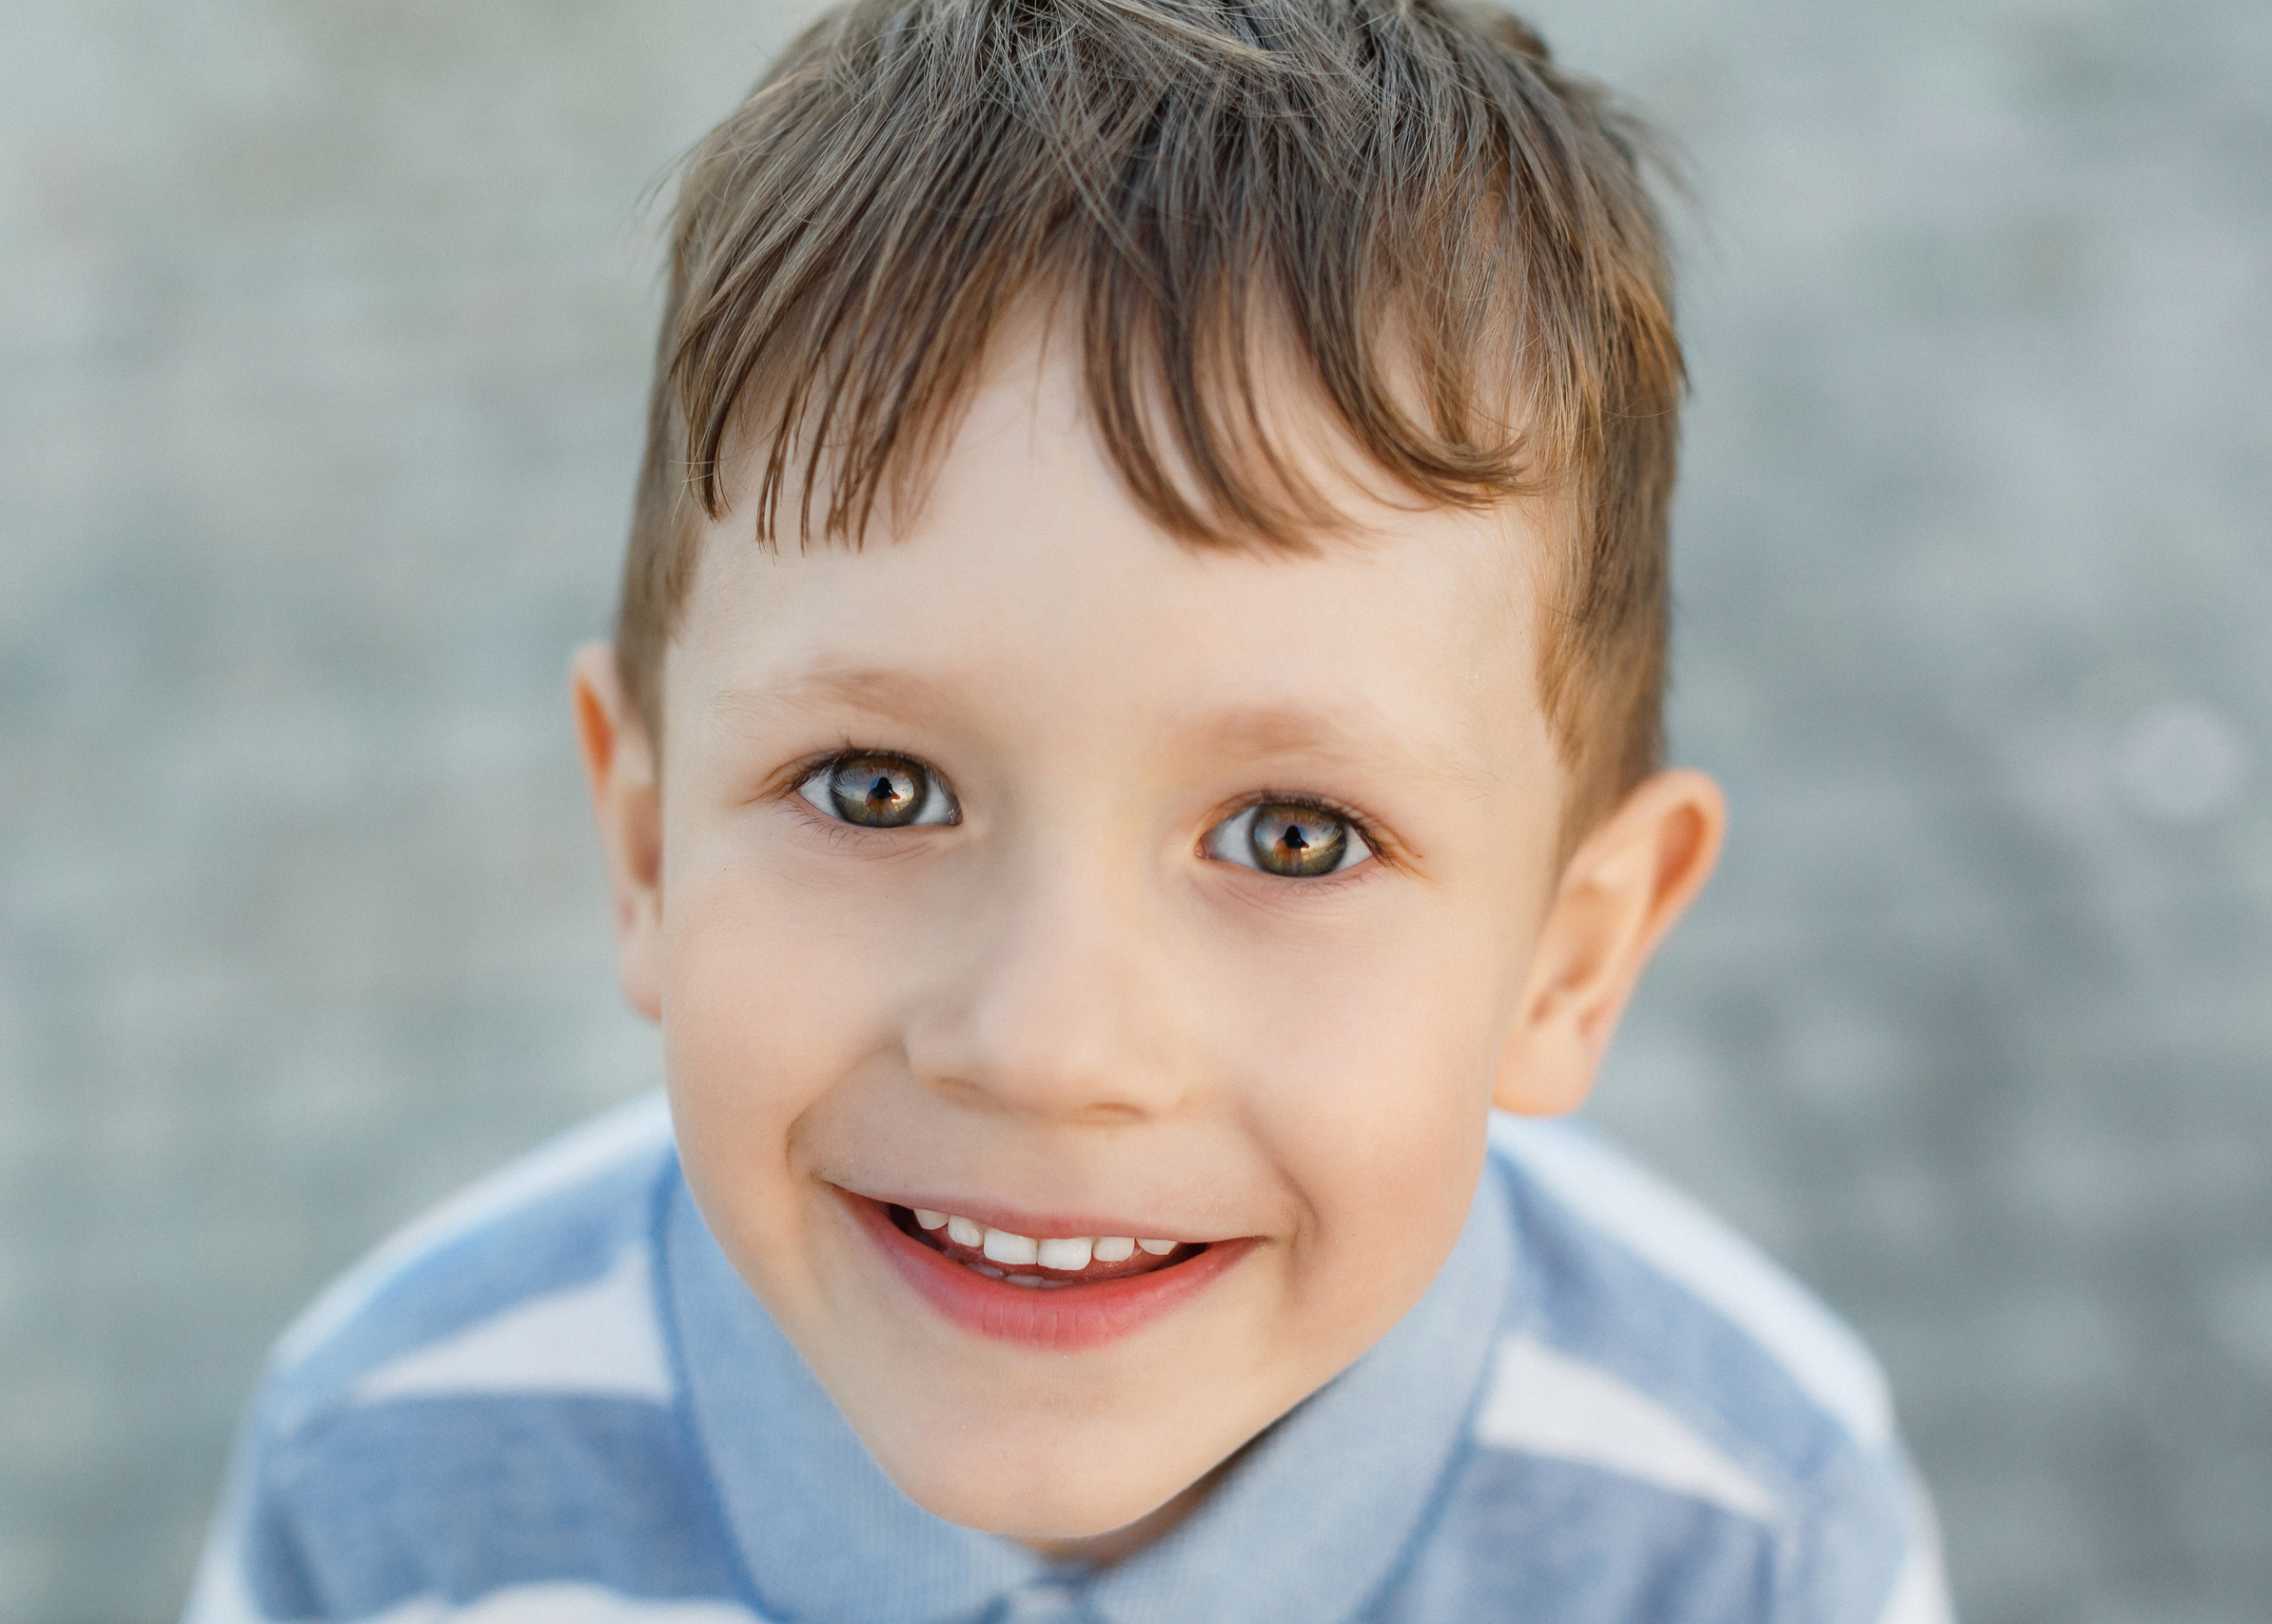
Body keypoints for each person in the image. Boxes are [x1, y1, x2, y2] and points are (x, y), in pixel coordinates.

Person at [186, 3, 1951, 1619]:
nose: (1048, 1046)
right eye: (878, 791)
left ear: (1572, 956)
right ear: (648, 843)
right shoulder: (385, 1480)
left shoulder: (1752, 1539)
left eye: (1293, 836)